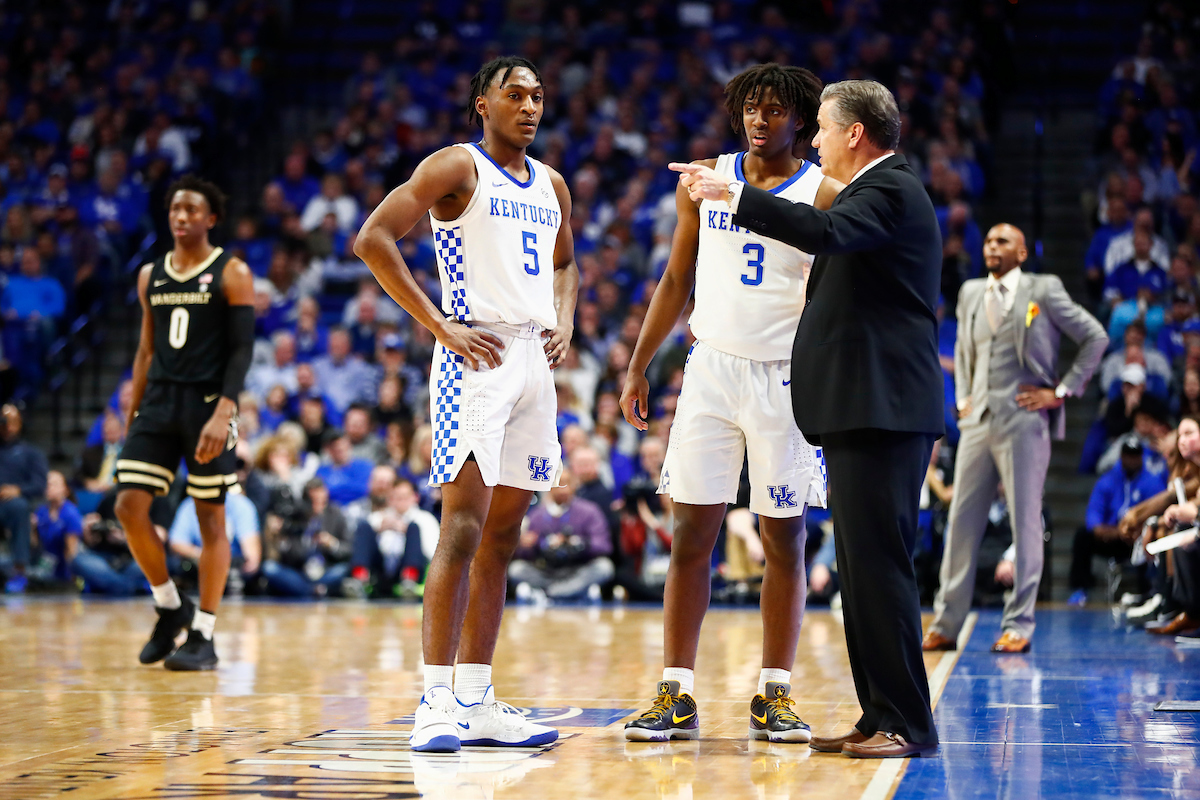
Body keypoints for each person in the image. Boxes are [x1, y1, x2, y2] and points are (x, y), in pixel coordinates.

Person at [672, 79, 943, 758]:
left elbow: (823, 231)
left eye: (821, 126)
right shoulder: (874, 191)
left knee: (880, 567)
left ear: (855, 132)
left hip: (884, 408)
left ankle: (907, 723)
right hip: (861, 407)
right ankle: (877, 714)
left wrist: (734, 195)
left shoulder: (890, 189)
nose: (815, 139)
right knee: (860, 568)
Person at [354, 56, 577, 753]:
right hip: (474, 358)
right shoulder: (458, 165)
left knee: (503, 537)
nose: (530, 106)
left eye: (538, 96)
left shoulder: (552, 184)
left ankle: (477, 700)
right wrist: (438, 325)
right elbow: (372, 238)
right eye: (515, 94)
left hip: (534, 361)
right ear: (483, 103)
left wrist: (566, 317)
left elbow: (566, 264)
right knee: (461, 529)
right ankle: (435, 699)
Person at [620, 64, 840, 745]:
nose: (758, 119)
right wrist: (638, 364)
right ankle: (675, 691)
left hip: (785, 377)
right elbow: (676, 278)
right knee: (692, 533)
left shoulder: (823, 192)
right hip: (711, 368)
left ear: (800, 119)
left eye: (773, 109)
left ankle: (775, 692)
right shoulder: (703, 178)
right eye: (750, 107)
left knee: (784, 537)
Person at [922, 222, 1107, 653]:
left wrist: (1060, 391)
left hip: (1024, 423)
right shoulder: (971, 292)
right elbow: (964, 350)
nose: (992, 246)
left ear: (1022, 253)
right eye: (988, 240)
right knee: (960, 523)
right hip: (977, 424)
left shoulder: (1043, 289)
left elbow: (1095, 337)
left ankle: (1019, 625)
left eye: (1003, 241)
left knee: (1024, 523)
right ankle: (946, 623)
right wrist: (963, 397)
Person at [112, 174, 255, 671]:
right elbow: (146, 349)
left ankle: (205, 634)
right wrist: (133, 410)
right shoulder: (149, 274)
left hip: (208, 404)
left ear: (211, 218)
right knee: (128, 505)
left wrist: (225, 410)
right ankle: (171, 606)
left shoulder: (232, 271)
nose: (181, 216)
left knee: (210, 519)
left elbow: (242, 350)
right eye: (175, 208)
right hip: (159, 402)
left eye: (192, 209)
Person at [1069, 436, 1166, 606]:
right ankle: (1080, 589)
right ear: (1121, 456)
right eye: (1128, 456)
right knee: (1083, 536)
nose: (1131, 460)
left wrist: (1139, 532)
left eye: (1135, 456)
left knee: (1150, 539)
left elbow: (1158, 514)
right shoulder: (1107, 481)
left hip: (1138, 537)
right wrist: (1115, 532)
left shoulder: (1153, 482)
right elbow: (1094, 519)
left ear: (1141, 457)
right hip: (1112, 536)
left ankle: (1148, 593)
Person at [509, 466, 613, 600]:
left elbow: (604, 545)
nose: (563, 489)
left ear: (575, 485)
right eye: (558, 484)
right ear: (549, 487)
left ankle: (550, 593)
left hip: (578, 568)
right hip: (547, 570)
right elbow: (523, 553)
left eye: (567, 483)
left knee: (604, 567)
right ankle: (573, 592)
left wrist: (578, 543)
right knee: (516, 569)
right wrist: (532, 545)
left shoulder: (590, 511)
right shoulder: (537, 515)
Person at [0, 404, 48, 593]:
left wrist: (18, 490)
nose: (7, 425)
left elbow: (40, 484)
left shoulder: (31, 453)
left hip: (15, 504)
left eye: (12, 421)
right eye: (4, 421)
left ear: (20, 423)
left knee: (19, 507)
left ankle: (20, 570)